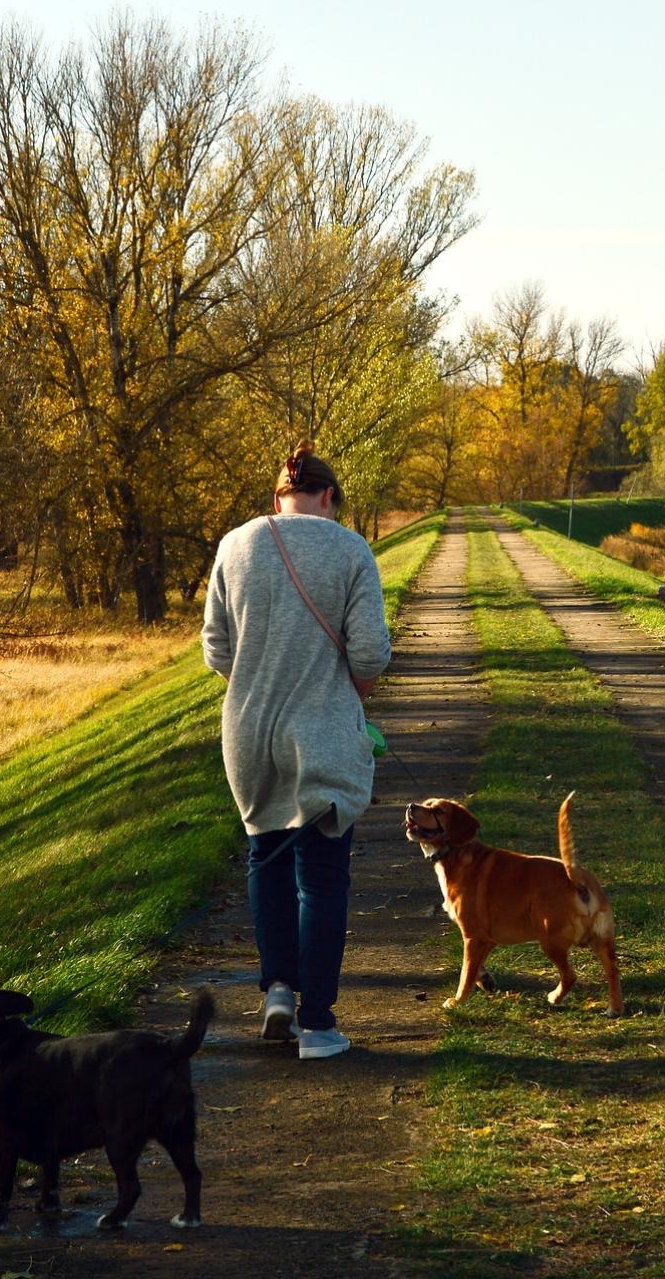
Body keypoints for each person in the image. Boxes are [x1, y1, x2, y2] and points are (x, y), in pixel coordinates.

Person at [201, 441, 392, 1060]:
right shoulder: (350, 549)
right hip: (323, 733)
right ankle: (317, 1025)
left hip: (248, 733)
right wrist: (345, 686)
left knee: (267, 860)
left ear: (277, 498)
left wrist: (262, 680)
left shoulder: (234, 546)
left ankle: (278, 990)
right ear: (330, 496)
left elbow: (216, 651)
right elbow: (368, 655)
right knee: (323, 875)